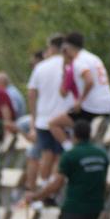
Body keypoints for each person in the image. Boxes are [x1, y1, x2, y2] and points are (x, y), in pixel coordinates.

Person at [26, 33, 71, 187]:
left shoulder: (41, 67)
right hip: (63, 116)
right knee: (60, 155)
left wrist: (34, 117)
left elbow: (31, 94)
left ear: (51, 47)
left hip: (43, 118)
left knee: (47, 154)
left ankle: (44, 185)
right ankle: (54, 188)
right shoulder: (70, 64)